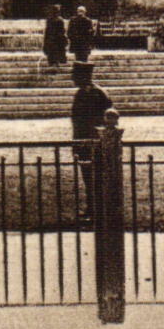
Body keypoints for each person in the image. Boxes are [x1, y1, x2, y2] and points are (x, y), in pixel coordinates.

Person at [69, 62, 114, 223]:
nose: (72, 78)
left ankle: (99, 211)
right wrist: (76, 143)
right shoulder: (81, 94)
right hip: (83, 142)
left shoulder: (99, 94)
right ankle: (92, 209)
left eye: (75, 74)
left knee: (97, 178)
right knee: (88, 178)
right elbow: (76, 121)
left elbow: (107, 119)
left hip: (96, 142)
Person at [43, 4, 68, 72]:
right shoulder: (59, 20)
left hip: (53, 40)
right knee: (55, 54)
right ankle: (55, 66)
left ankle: (54, 66)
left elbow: (47, 31)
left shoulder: (51, 19)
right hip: (56, 40)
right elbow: (62, 31)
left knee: (53, 54)